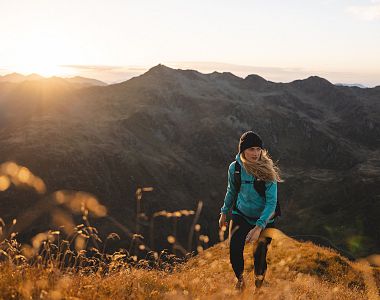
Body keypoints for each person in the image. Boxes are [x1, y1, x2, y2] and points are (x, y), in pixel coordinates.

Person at [218, 131, 283, 291]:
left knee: (259, 257)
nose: (255, 153)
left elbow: (272, 203)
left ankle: (258, 289)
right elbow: (231, 190)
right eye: (251, 149)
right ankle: (240, 281)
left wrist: (259, 227)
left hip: (265, 219)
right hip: (241, 214)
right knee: (234, 251)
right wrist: (224, 212)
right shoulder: (235, 169)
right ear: (242, 151)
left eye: (258, 149)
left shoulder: (268, 171)